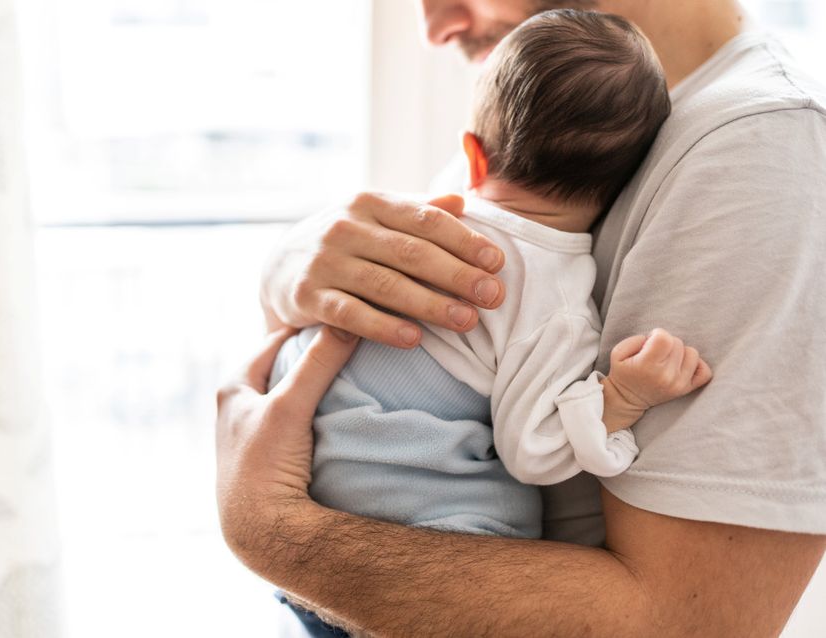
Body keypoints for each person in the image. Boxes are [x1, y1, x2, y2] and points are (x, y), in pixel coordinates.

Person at [216, 0, 826, 635]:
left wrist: (267, 526)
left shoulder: (762, 152)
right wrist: (288, 271)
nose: (435, 27)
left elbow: (683, 625)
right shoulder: (560, 104)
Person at [270, 9, 709, 550]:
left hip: (306, 465)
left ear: (473, 157)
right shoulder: (555, 303)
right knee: (505, 519)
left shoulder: (420, 221)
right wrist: (621, 397)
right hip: (406, 512)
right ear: (625, 185)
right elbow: (535, 451)